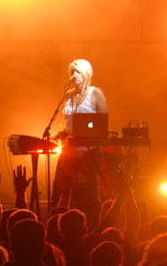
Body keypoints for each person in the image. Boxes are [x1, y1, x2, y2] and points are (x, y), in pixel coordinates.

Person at [52, 58, 107, 227]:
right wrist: (63, 133)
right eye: (71, 72)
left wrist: (88, 130)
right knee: (62, 186)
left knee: (90, 192)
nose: (74, 75)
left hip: (88, 151)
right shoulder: (68, 94)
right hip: (69, 150)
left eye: (77, 72)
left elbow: (103, 124)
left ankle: (92, 225)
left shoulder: (96, 93)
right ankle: (59, 224)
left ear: (86, 74)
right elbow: (69, 124)